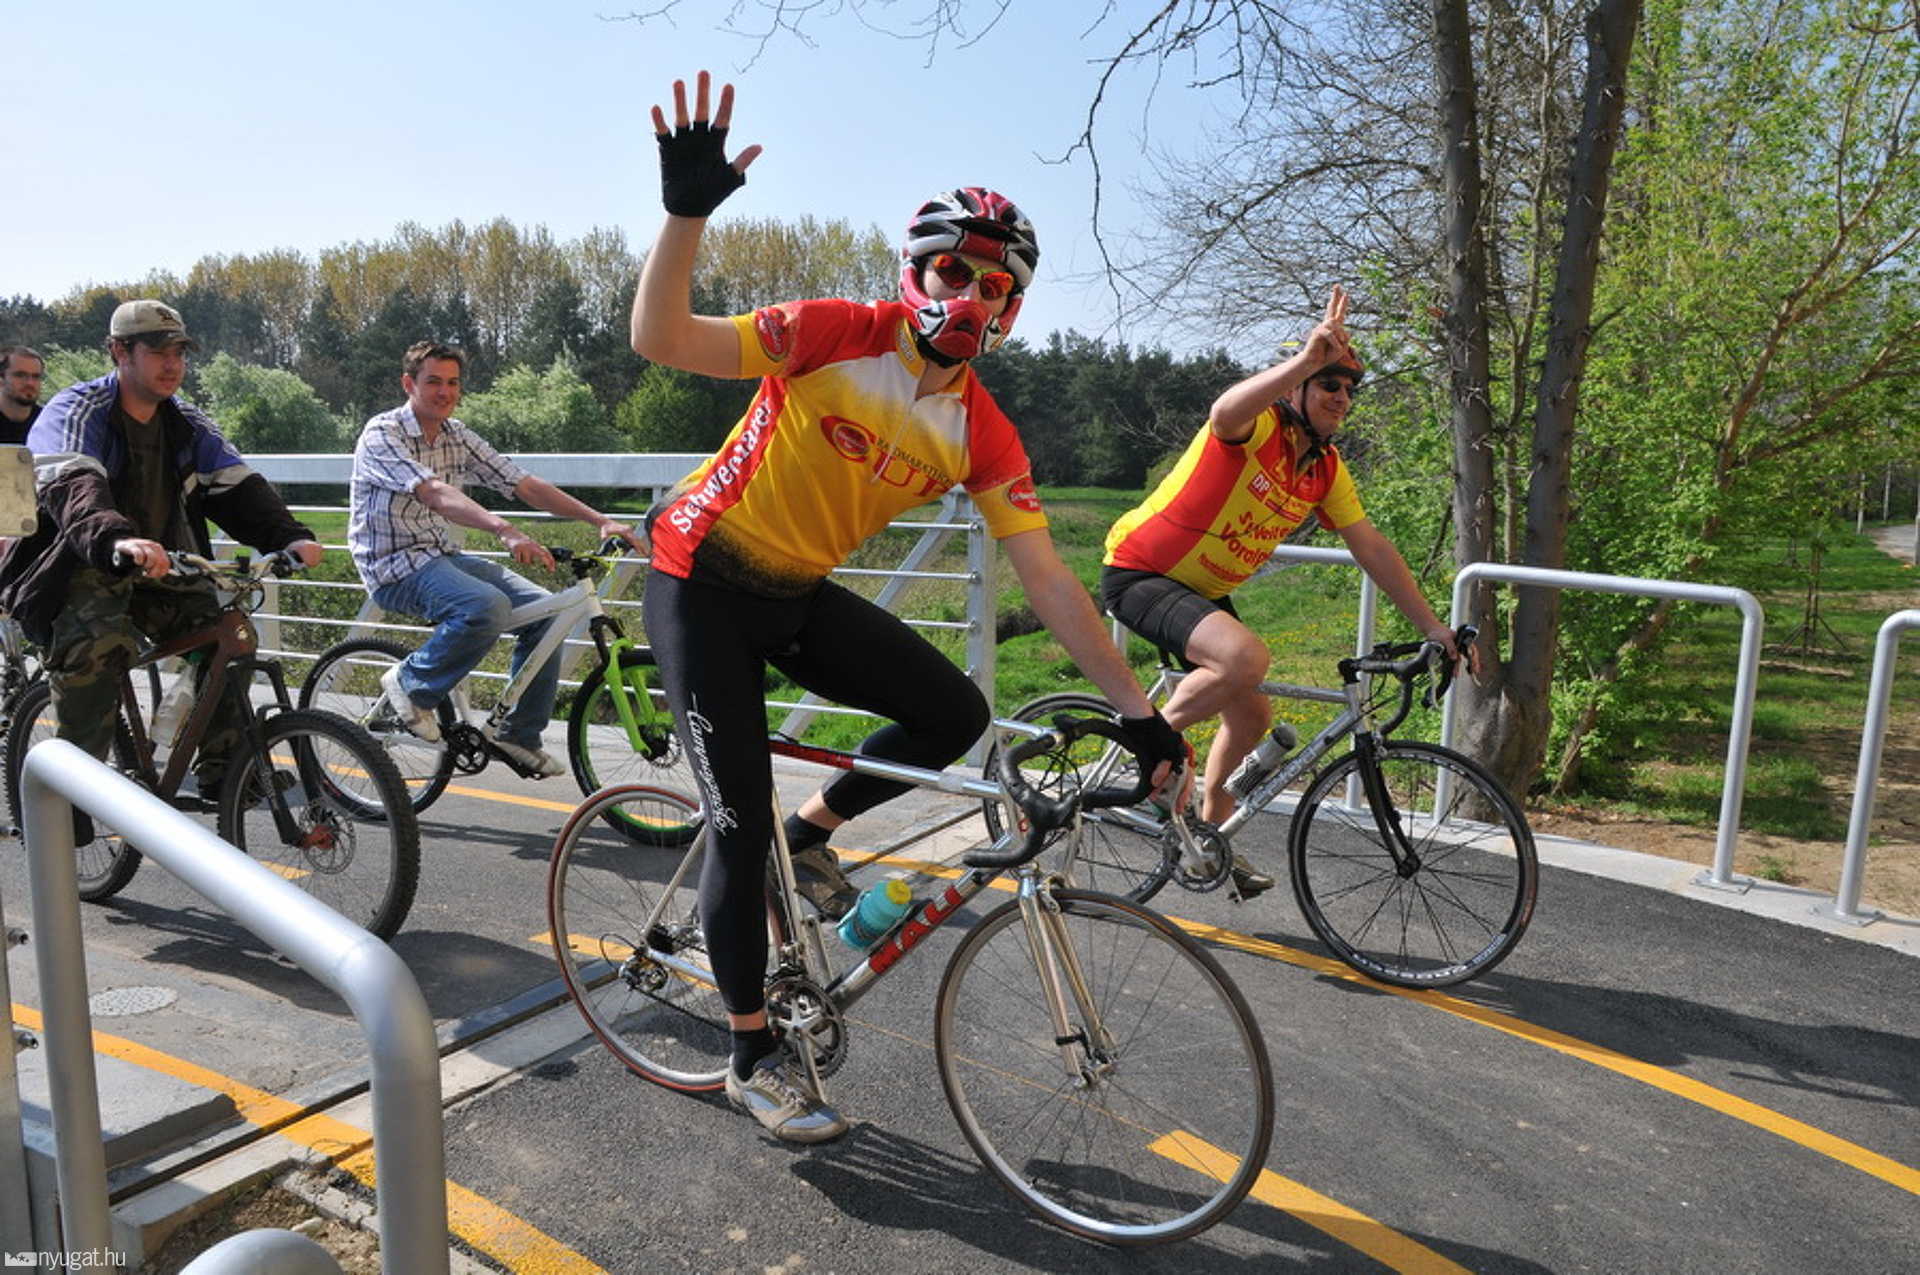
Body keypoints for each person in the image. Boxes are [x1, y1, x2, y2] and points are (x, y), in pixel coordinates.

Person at [630, 71, 1188, 1144]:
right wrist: (684, 216)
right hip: (698, 579)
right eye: (954, 274)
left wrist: (1140, 713)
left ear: (1016, 310)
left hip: (792, 592)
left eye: (999, 289)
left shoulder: (982, 431)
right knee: (733, 827)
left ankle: (816, 831)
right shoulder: (839, 330)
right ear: (915, 272)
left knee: (955, 712)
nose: (974, 300)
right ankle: (750, 1051)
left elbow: (1051, 582)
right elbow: (663, 338)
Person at [1102, 285, 1470, 896]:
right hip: (1143, 569)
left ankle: (1206, 844)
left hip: (1201, 590)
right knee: (1245, 658)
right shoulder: (1257, 427)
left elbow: (1370, 546)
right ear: (1297, 387)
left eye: (1350, 389)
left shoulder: (1324, 469)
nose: (1343, 398)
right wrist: (1304, 359)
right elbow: (1223, 413)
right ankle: (1152, 759)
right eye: (1331, 385)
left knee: (1251, 716)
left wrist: (1435, 627)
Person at [0, 301, 323, 807]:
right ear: (118, 352)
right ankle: (67, 800)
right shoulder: (75, 410)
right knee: (97, 646)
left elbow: (236, 485)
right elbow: (73, 485)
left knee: (225, 633)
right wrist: (115, 539)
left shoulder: (185, 422)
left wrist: (289, 535)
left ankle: (225, 769)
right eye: (156, 350)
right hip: (71, 568)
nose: (172, 363)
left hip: (158, 565)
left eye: (179, 352)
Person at [349, 340, 645, 776]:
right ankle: (410, 684)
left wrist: (598, 519)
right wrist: (504, 529)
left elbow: (522, 483)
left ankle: (516, 734)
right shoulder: (383, 433)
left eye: (452, 383)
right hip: (391, 565)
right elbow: (434, 493)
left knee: (542, 614)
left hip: (440, 556)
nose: (444, 392)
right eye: (433, 381)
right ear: (409, 383)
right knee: (485, 606)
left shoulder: (456, 434)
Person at [1, 346, 45, 445]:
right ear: (1, 379)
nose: (30, 383)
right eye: (20, 375)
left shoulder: (47, 422)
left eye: (36, 376)